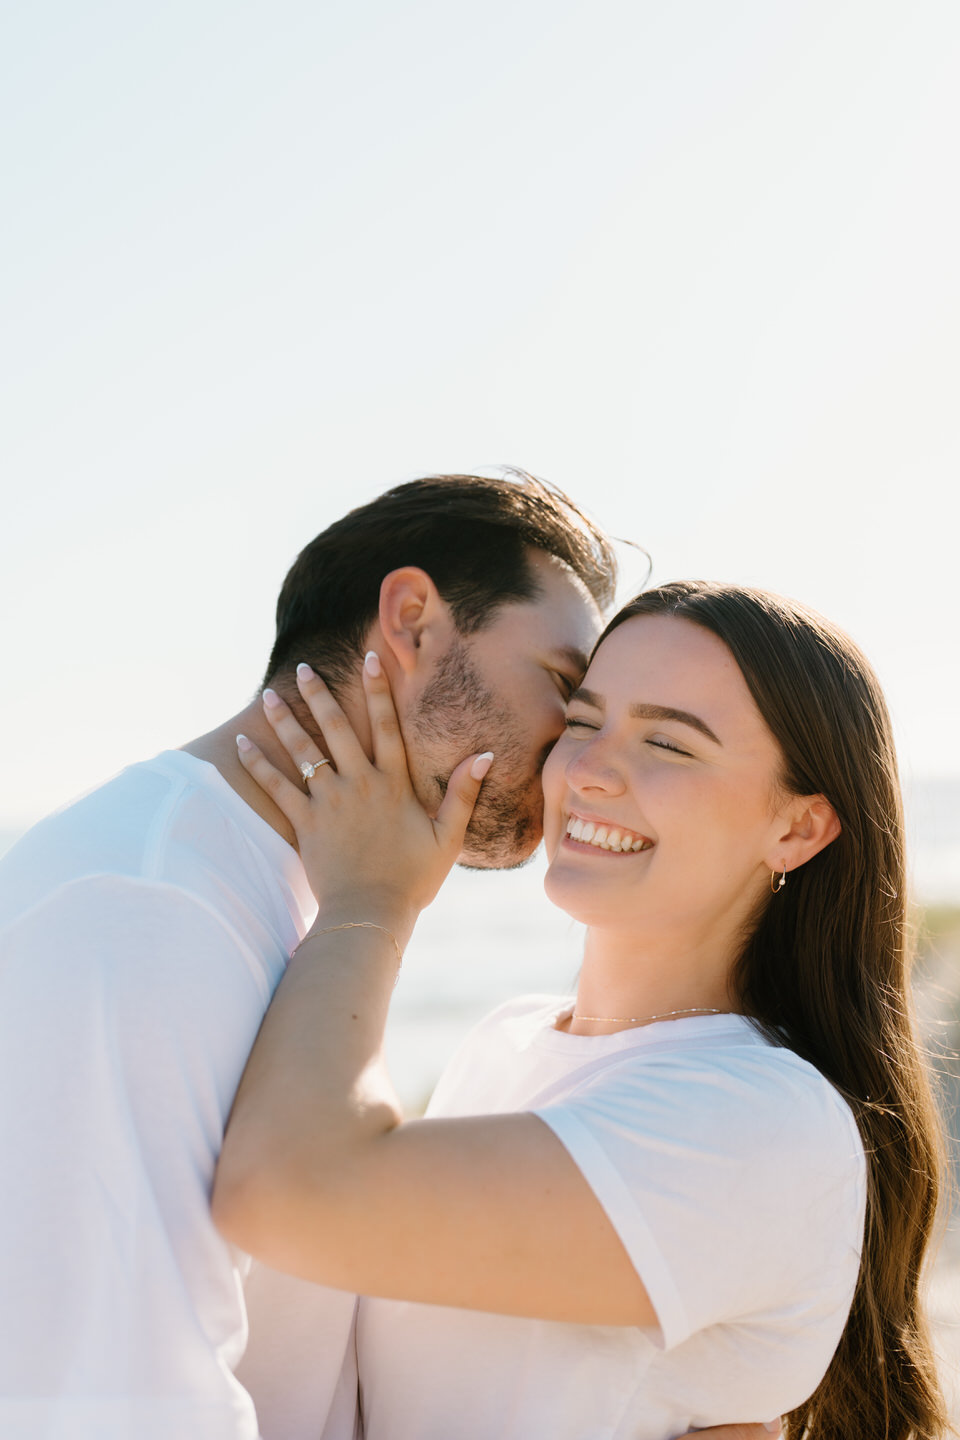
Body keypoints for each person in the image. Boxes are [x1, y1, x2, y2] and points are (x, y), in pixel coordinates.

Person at [0, 471, 768, 1440]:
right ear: (411, 624)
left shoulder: (274, 899)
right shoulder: (144, 910)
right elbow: (111, 1407)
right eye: (567, 691)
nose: (575, 758)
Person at [214, 580, 948, 1440]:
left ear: (797, 829)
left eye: (670, 743)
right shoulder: (504, 1044)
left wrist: (368, 904)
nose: (589, 771)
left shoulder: (762, 1121)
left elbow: (289, 1195)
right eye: (584, 721)